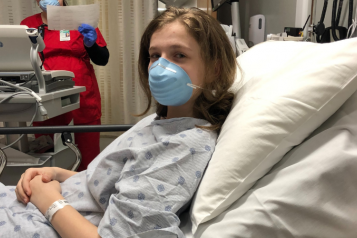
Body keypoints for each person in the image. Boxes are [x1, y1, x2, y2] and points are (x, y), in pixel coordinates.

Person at [0, 7, 237, 238]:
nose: (160, 67)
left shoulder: (184, 144)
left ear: (215, 69)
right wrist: (57, 173)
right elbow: (113, 180)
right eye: (155, 55)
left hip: (39, 215)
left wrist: (48, 200)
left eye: (179, 55)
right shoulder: (160, 121)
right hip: (44, 199)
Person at [21, 0, 110, 171]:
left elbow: (102, 59)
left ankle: (87, 189)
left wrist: (91, 45)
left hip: (82, 92)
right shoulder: (28, 24)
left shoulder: (80, 20)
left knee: (88, 152)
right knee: (45, 151)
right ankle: (48, 191)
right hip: (45, 93)